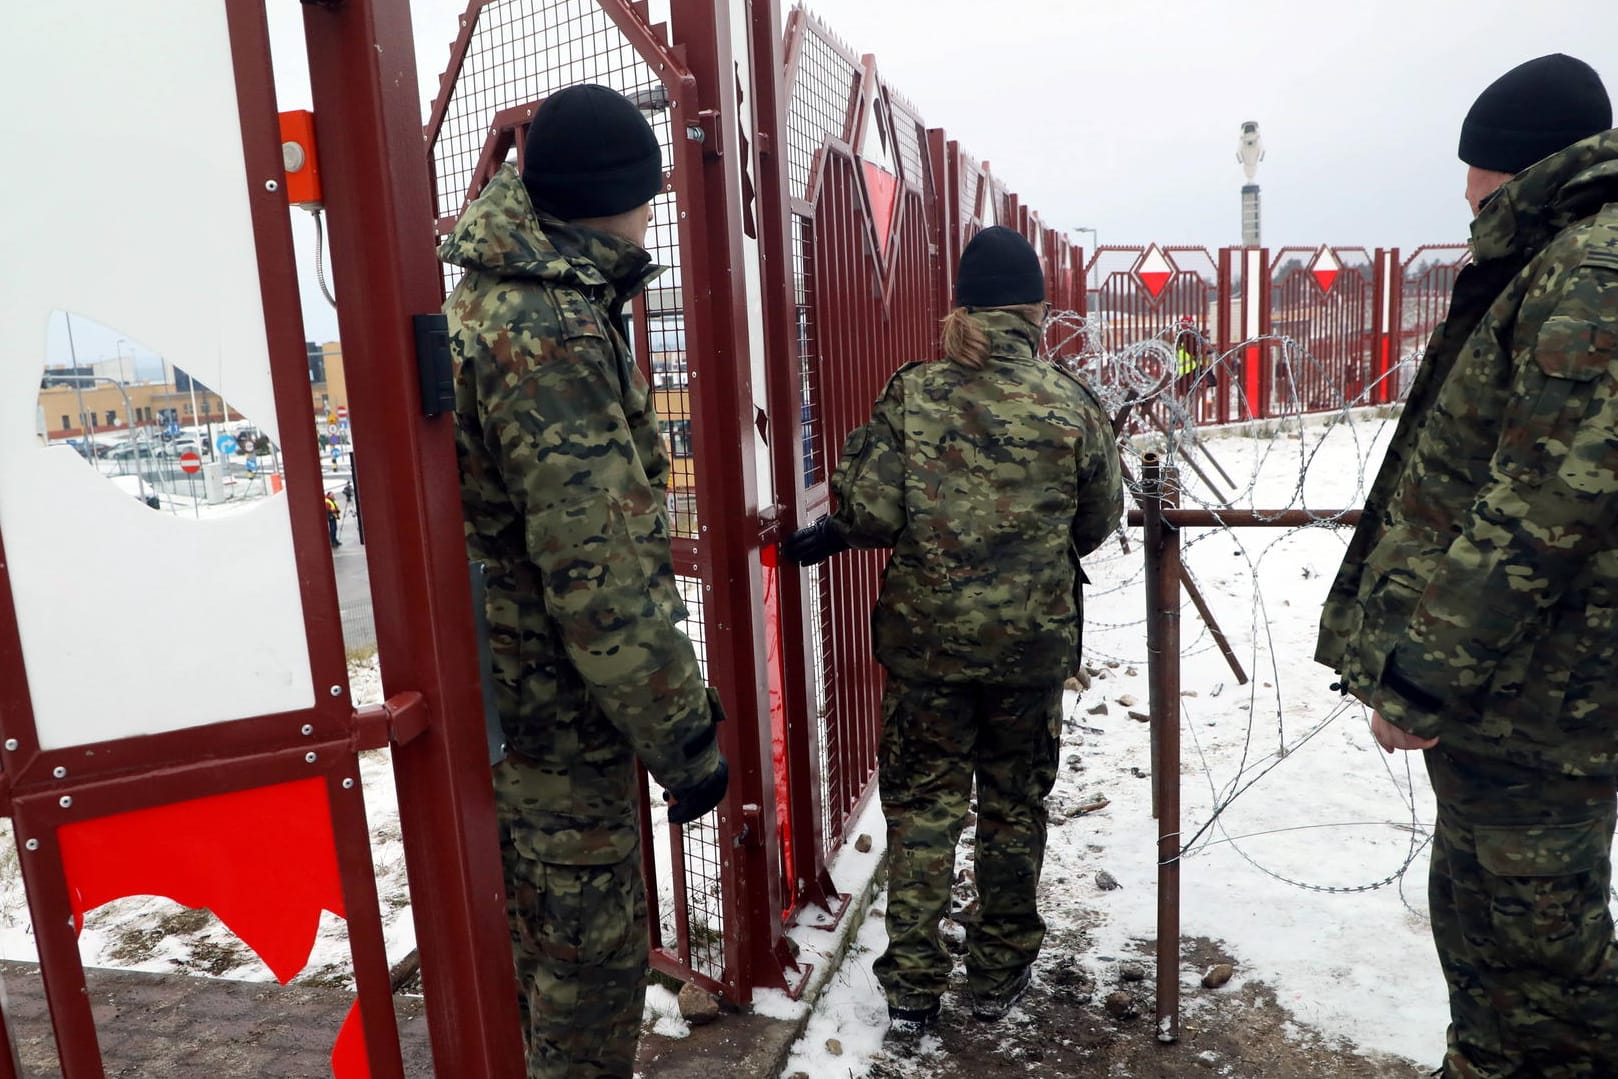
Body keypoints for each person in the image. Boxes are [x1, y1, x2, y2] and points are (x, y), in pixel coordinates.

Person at [1314, 54, 1617, 1078]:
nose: (1464, 198)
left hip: (1548, 698)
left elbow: (1542, 509)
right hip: (1521, 689)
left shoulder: (1591, 272)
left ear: (1522, 169)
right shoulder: (1556, 259)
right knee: (1483, 913)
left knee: (1545, 953)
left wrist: (1426, 671)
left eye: (1474, 177)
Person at [440, 84, 728, 1078]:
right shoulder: (550, 327)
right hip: (556, 714)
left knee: (534, 953)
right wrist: (685, 736)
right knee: (587, 973)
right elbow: (603, 577)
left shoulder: (491, 294)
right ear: (613, 198)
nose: (653, 212)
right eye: (647, 193)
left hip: (509, 700)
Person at [783, 226, 1123, 1034]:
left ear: (960, 306)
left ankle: (913, 984)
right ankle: (1000, 970)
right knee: (1014, 805)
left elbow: (871, 508)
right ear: (1037, 307)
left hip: (929, 646)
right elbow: (1099, 518)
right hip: (1031, 649)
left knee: (925, 805)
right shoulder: (1068, 399)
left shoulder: (917, 392)